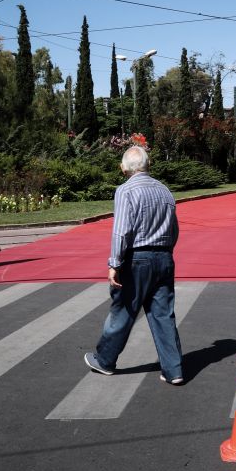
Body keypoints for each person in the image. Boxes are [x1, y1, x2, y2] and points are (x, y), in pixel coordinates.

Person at [84, 145, 185, 385]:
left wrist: (114, 263)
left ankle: (105, 359)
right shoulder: (164, 191)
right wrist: (166, 252)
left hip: (136, 259)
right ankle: (174, 370)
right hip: (164, 257)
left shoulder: (125, 190)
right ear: (148, 165)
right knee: (163, 314)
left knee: (124, 310)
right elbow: (175, 229)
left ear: (123, 168)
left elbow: (122, 231)